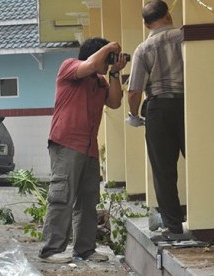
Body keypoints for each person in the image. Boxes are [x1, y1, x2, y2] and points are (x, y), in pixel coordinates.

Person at [38, 38, 128, 263]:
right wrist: (110, 47)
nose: (107, 64)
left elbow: (115, 102)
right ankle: (51, 250)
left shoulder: (99, 81)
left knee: (88, 201)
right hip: (66, 143)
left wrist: (114, 74)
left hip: (89, 148)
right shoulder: (69, 67)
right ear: (97, 54)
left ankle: (85, 249)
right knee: (62, 197)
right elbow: (88, 65)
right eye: (106, 60)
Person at [127, 0, 185, 235]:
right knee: (200, 158)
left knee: (163, 170)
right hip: (188, 104)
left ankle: (173, 226)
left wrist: (133, 114)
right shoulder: (183, 37)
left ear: (146, 23)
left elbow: (134, 91)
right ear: (168, 15)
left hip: (158, 109)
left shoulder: (143, 49)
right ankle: (207, 215)